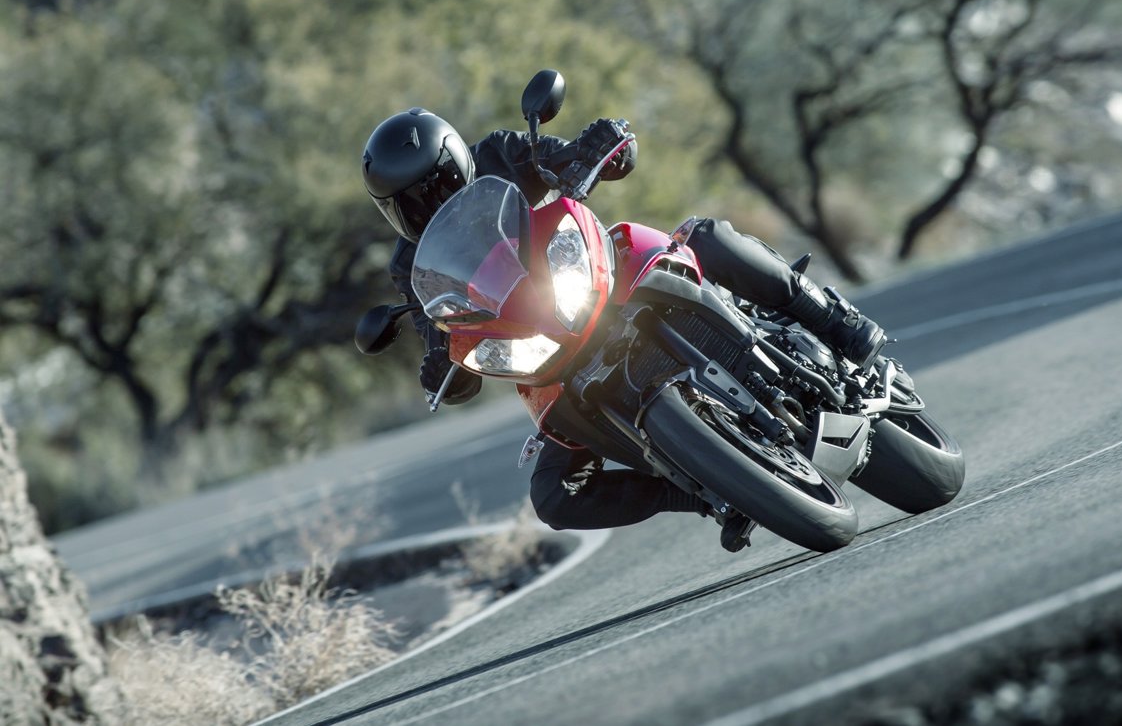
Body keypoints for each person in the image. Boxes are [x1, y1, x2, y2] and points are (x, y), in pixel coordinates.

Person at [361, 108, 884, 551]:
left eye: (432, 186)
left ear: (456, 161)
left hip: (592, 275)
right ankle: (710, 490)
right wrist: (440, 365)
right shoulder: (411, 265)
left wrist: (599, 146)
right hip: (545, 348)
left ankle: (833, 319)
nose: (423, 207)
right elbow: (442, 330)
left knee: (706, 238)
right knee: (556, 497)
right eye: (403, 204)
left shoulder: (501, 153)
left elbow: (588, 156)